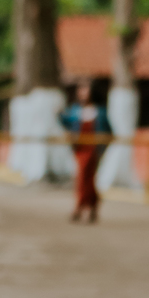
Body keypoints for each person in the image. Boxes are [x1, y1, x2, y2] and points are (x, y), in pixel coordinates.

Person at [59, 79, 112, 223]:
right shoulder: (76, 110)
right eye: (81, 89)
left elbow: (109, 130)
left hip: (94, 149)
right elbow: (66, 122)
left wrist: (102, 146)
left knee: (85, 178)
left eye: (85, 89)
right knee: (84, 177)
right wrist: (58, 114)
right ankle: (92, 206)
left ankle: (79, 207)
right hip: (79, 149)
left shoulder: (100, 112)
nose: (82, 93)